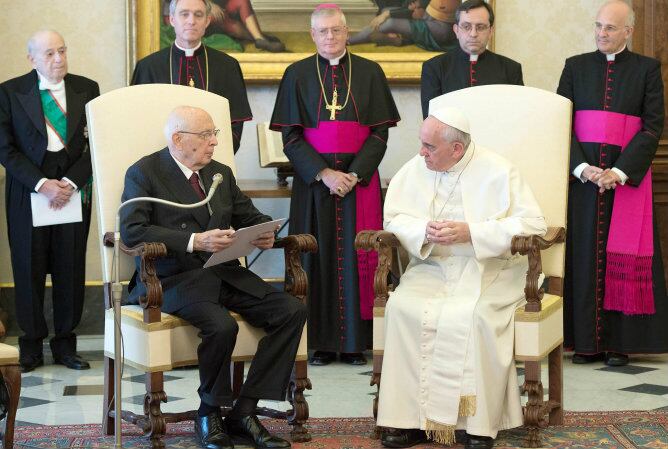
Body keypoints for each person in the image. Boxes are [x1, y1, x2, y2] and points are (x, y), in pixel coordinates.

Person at [120, 106, 306, 449]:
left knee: (291, 310)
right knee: (222, 326)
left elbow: (249, 214)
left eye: (215, 134)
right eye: (206, 135)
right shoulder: (145, 172)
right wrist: (194, 241)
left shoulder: (219, 173)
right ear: (178, 139)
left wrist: (265, 232)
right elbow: (132, 231)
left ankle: (245, 412)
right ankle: (209, 413)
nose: (215, 143)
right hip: (172, 279)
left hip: (224, 272)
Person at [377, 107, 546, 449]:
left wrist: (473, 232)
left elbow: (534, 226)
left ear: (456, 148)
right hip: (431, 266)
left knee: (475, 315)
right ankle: (409, 421)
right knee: (403, 308)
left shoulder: (499, 170)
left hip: (491, 269)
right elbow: (394, 218)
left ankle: (477, 425)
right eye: (422, 144)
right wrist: (422, 230)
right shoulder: (415, 169)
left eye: (430, 147)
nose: (421, 152)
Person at [270, 4, 400, 366]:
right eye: (323, 31)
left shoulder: (370, 72)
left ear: (347, 32)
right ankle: (322, 343)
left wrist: (354, 174)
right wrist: (324, 174)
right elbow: (292, 138)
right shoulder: (296, 74)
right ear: (313, 35)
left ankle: (357, 343)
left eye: (337, 30)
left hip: (359, 184)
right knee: (316, 257)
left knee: (361, 256)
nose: (330, 37)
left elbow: (379, 133)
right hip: (315, 185)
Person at [557, 0, 667, 367]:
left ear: (628, 32)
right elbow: (560, 123)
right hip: (584, 181)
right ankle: (585, 343)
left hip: (626, 181)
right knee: (585, 255)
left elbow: (652, 126)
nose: (601, 33)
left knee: (622, 254)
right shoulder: (575, 67)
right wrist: (583, 168)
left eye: (610, 27)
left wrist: (618, 172)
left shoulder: (648, 69)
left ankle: (620, 344)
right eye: (598, 25)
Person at [0, 30, 99, 373]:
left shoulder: (87, 88)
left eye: (62, 51)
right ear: (32, 59)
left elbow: (95, 145)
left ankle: (65, 345)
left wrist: (70, 182)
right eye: (49, 54)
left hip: (72, 188)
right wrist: (43, 184)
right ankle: (30, 346)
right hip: (29, 188)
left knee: (69, 267)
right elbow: (5, 149)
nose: (58, 59)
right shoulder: (10, 92)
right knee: (28, 266)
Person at [133, 0, 252, 154]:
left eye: (198, 15)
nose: (191, 21)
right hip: (160, 167)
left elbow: (235, 124)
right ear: (172, 19)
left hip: (213, 162)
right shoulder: (148, 67)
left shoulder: (227, 66)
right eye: (184, 14)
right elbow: (139, 121)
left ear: (207, 21)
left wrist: (212, 155)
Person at [420, 0, 523, 118]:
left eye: (480, 27)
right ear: (456, 30)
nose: (473, 34)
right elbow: (431, 120)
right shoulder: (434, 68)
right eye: (466, 26)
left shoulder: (511, 69)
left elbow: (517, 116)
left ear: (491, 32)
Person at [348, 0, 458, 52]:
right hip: (428, 20)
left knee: (390, 22)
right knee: (386, 11)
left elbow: (417, 13)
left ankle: (349, 41)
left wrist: (387, 15)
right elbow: (412, 9)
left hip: (441, 30)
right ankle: (400, 40)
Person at [208, 0, 286, 52]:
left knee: (242, 1)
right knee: (221, 16)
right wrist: (209, 5)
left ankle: (258, 38)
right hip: (202, 11)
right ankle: (258, 38)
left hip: (220, 5)